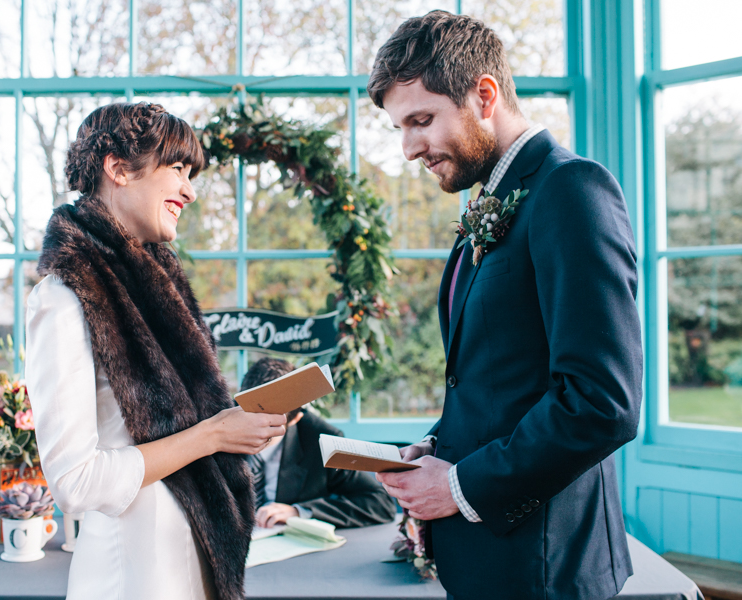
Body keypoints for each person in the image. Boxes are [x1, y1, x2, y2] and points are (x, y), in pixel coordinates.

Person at [367, 11, 643, 600]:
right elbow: (496, 380)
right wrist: (440, 448)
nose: (411, 148)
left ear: (484, 95)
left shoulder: (571, 190)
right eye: (400, 128)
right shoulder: (494, 199)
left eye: (421, 120)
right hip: (489, 563)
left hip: (546, 567)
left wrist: (463, 483)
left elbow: (603, 400)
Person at [25, 102, 287, 600]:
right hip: (134, 582)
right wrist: (213, 436)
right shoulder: (63, 299)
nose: (189, 191)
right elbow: (76, 483)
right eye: (177, 170)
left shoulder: (157, 292)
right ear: (119, 168)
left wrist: (236, 430)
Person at [241, 358, 397, 529]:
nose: (256, 430)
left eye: (269, 425)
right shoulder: (219, 424)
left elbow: (380, 503)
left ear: (295, 420)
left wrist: (300, 512)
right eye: (251, 418)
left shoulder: (320, 441)